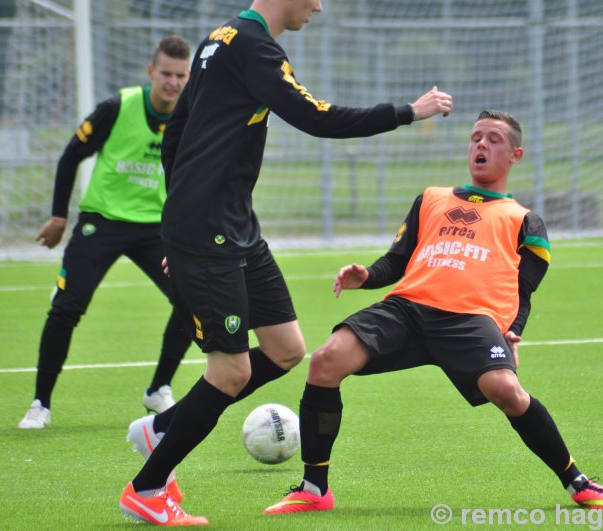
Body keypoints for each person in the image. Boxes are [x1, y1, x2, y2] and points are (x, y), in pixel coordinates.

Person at [117, 0, 453, 525]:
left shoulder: (219, 39)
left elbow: (175, 135)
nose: (319, 5)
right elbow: (317, 117)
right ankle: (148, 486)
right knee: (229, 372)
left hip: (234, 227)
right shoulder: (252, 47)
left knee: (286, 349)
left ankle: (160, 429)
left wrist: (179, 215)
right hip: (209, 231)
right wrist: (407, 112)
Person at [263, 110, 603, 515]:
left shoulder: (524, 220)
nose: (481, 145)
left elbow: (523, 289)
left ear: (515, 155)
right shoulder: (431, 199)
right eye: (475, 137)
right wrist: (366, 275)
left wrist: (512, 330)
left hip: (469, 321)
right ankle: (315, 488)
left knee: (506, 391)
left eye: (493, 139)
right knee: (325, 361)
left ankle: (577, 481)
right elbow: (397, 261)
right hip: (407, 309)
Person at [18, 35, 193, 429]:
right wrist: (59, 216)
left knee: (192, 301)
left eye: (181, 75)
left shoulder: (191, 114)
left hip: (156, 228)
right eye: (166, 73)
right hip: (103, 222)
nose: (173, 82)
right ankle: (40, 404)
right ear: (151, 72)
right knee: (66, 308)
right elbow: (70, 155)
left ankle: (158, 389)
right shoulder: (116, 107)